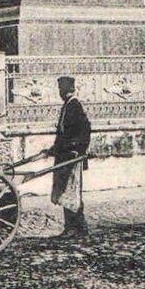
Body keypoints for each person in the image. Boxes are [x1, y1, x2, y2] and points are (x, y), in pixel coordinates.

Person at [47, 76, 91, 236]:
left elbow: (84, 130)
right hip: (64, 155)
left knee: (71, 190)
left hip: (72, 156)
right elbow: (63, 132)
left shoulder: (75, 105)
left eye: (61, 89)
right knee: (65, 190)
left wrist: (76, 148)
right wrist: (54, 148)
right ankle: (74, 226)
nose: (59, 92)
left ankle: (76, 227)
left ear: (66, 90)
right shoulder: (68, 105)